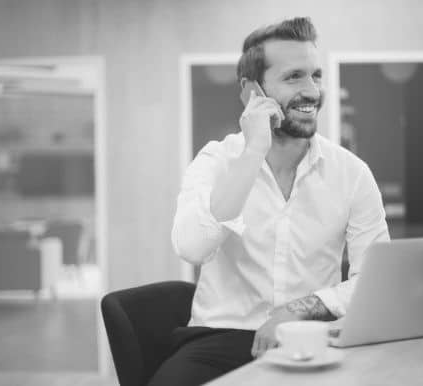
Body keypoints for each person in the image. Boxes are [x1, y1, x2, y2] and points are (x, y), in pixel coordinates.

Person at [151, 17, 389, 386]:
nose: (312, 91)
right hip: (221, 338)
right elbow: (192, 247)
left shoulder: (352, 174)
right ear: (252, 91)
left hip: (310, 335)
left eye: (316, 75)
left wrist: (296, 310)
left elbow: (373, 280)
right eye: (294, 77)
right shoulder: (216, 161)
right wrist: (254, 151)